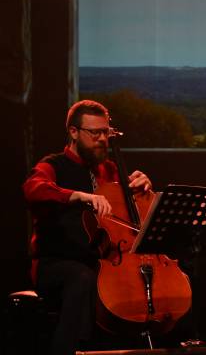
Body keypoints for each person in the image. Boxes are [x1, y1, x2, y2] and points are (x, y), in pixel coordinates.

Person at [22, 99, 152, 355]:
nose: (103, 139)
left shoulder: (110, 170)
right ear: (73, 132)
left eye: (106, 132)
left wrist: (140, 189)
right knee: (82, 277)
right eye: (95, 133)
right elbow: (33, 189)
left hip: (103, 261)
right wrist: (79, 196)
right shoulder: (52, 165)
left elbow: (127, 217)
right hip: (56, 263)